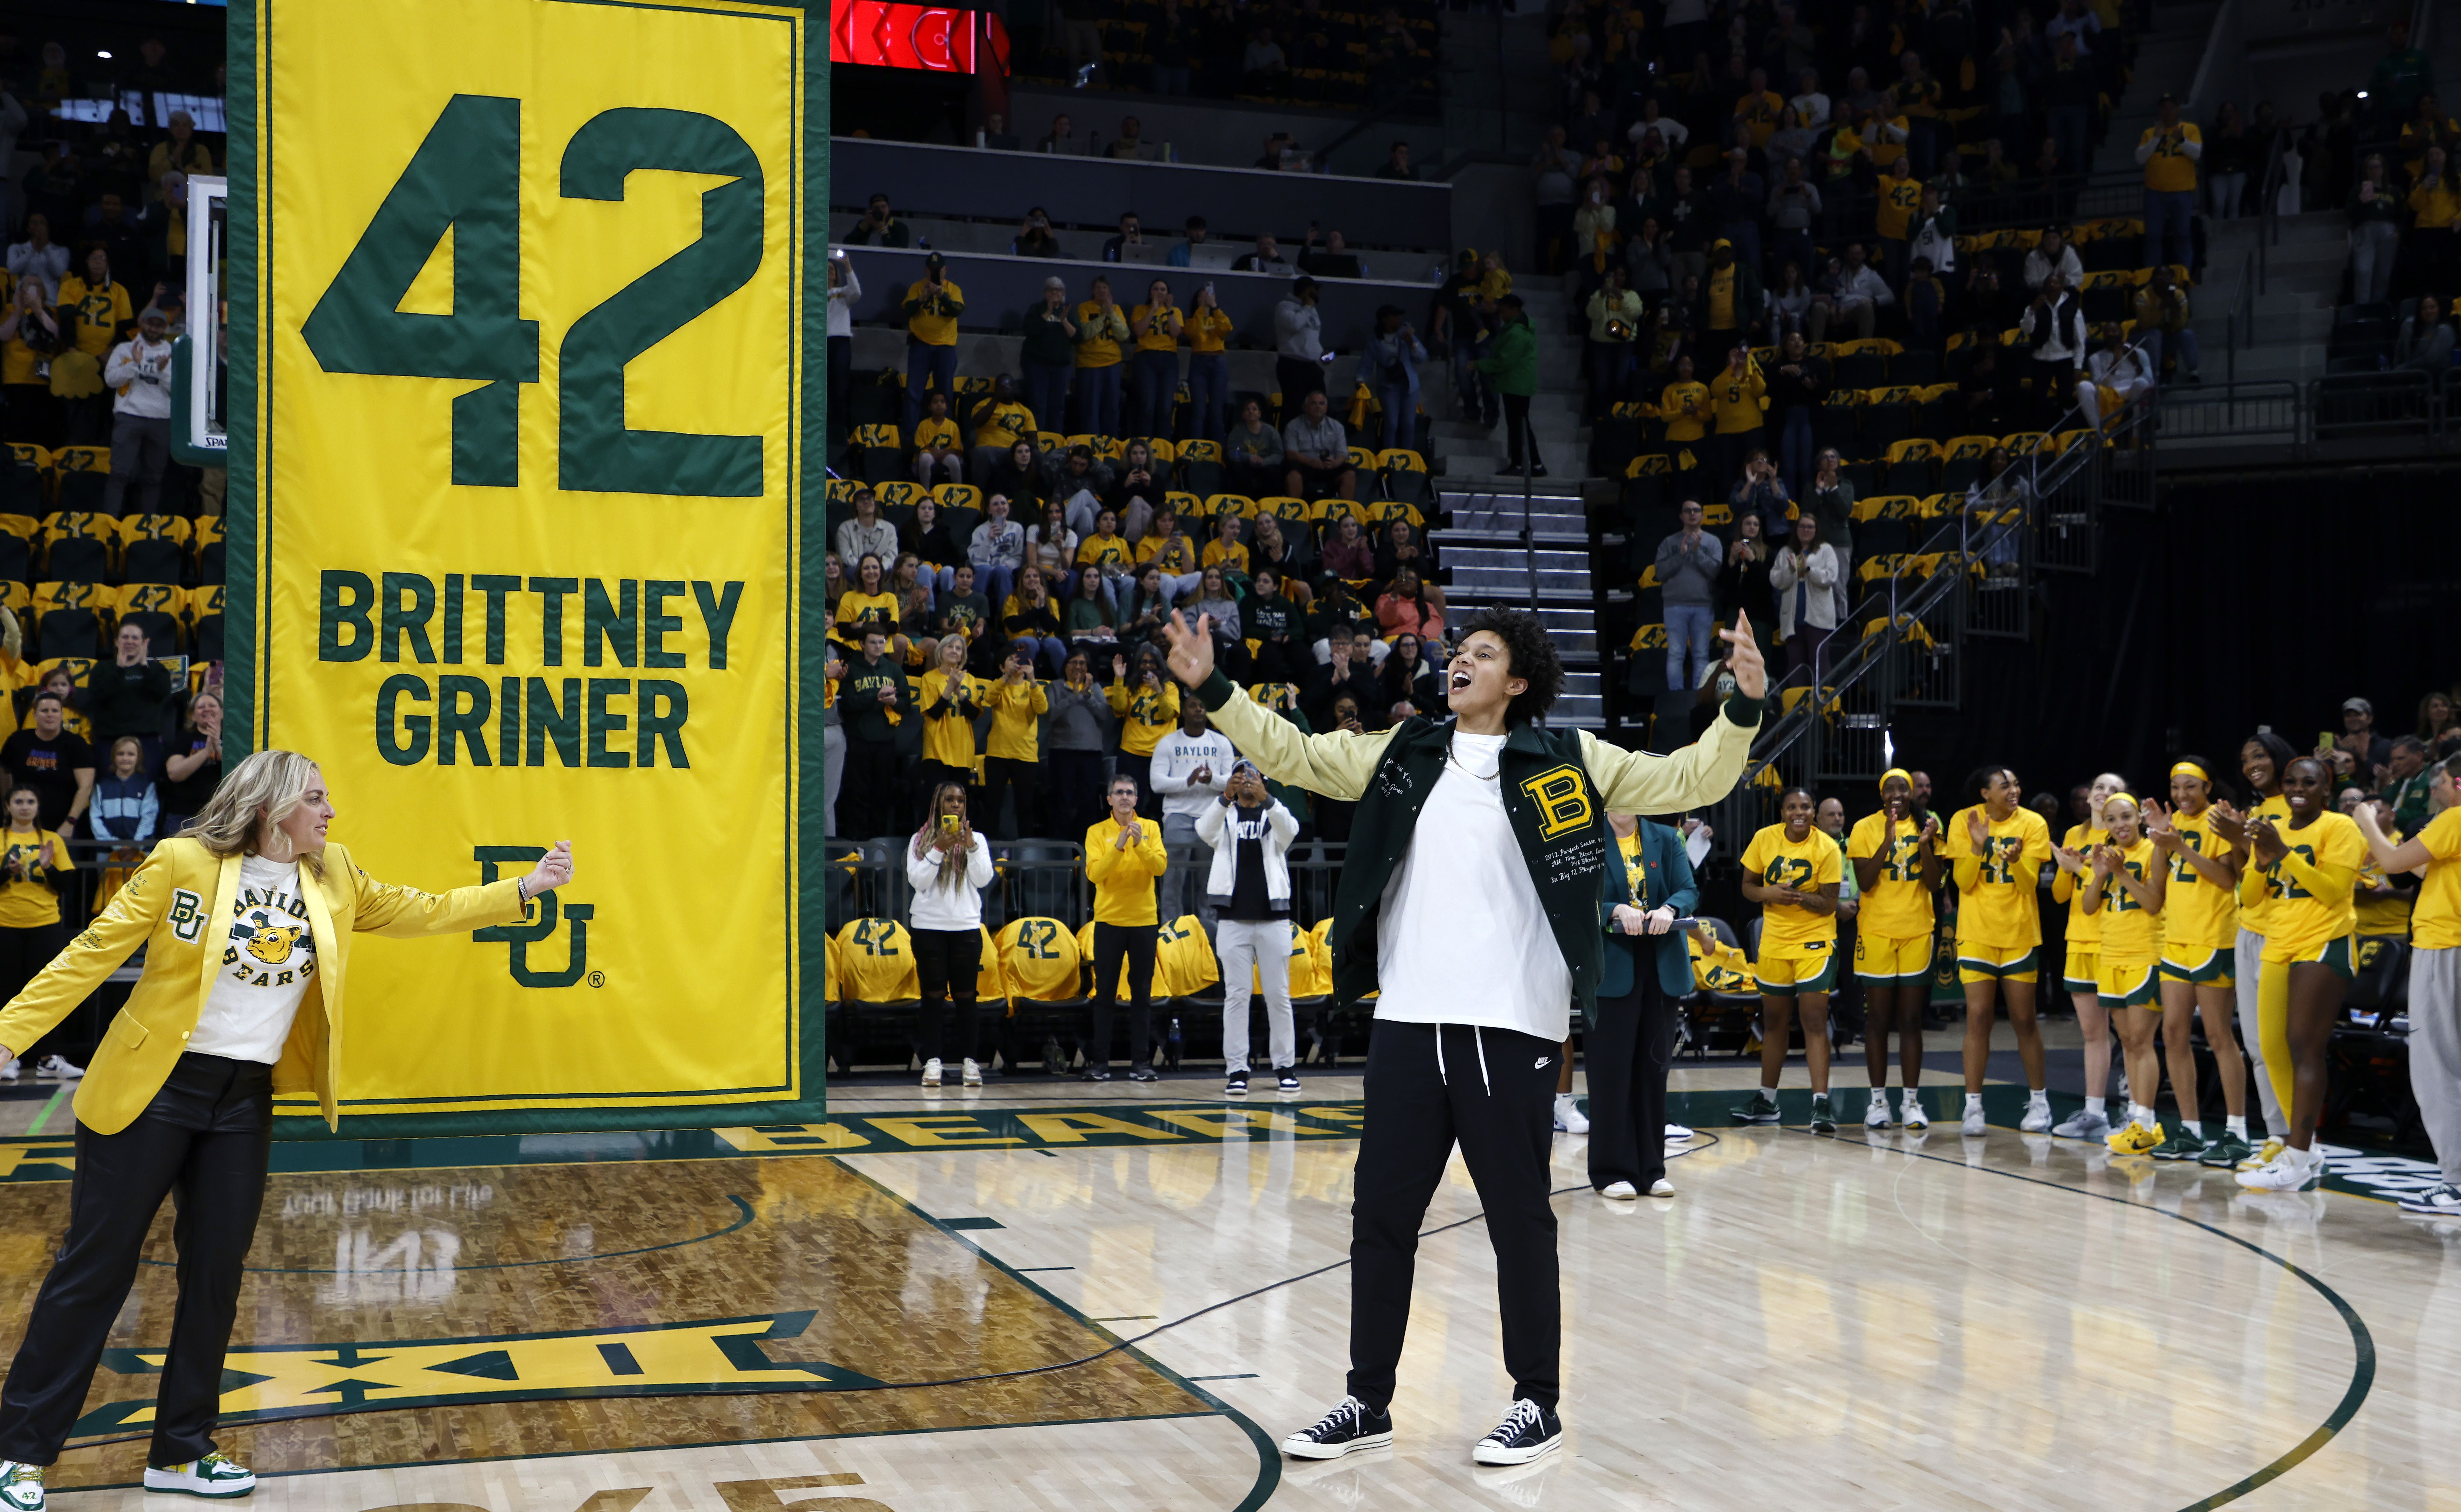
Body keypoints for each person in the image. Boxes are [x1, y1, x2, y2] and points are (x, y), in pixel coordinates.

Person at [1162, 601, 1765, 1467]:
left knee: (1518, 1218)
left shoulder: (1571, 757)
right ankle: (1367, 1399)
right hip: (1409, 1019)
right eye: (1458, 650)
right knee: (1381, 1218)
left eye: (1482, 654)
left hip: (1510, 1024)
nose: (1460, 661)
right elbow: (1295, 753)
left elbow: (1684, 780)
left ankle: (1537, 1402)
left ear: (1517, 681)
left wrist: (1740, 708)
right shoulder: (1404, 751)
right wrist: (1213, 687)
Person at [0, 753, 573, 1506]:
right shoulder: (182, 862)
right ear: (271, 809)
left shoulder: (333, 871)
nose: (331, 810)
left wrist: (523, 889)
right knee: (95, 1268)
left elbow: (419, 908)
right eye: (316, 798)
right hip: (151, 1089)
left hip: (242, 1099)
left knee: (216, 1276)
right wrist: (10, 1032)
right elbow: (94, 950)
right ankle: (20, 1453)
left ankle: (180, 1448)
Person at [2233, 757, 2363, 1192]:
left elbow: (2331, 892)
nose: (2297, 788)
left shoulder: (2340, 828)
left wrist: (2283, 852)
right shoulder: (2272, 830)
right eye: (2290, 781)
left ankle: (2298, 1154)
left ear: (2325, 790)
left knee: (2304, 1047)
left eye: (2309, 782)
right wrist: (2261, 857)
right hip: (2278, 943)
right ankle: (2305, 1152)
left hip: (2324, 942)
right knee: (2271, 1051)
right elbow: (2250, 899)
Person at [2354, 756, 2461, 1214]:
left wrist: (2365, 822)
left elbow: (2396, 859)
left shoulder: (2456, 817)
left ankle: (2455, 1182)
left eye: (2437, 783)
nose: (2433, 791)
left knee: (2438, 1066)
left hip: (2445, 946)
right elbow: (2422, 869)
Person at [2143, 759, 2253, 1164]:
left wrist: (2181, 847)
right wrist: (2160, 837)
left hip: (2214, 938)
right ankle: (2190, 1130)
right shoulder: (2174, 825)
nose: (2182, 795)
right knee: (2172, 1034)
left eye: (2190, 787)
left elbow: (2228, 880)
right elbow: (2157, 893)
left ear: (2208, 788)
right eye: (2175, 788)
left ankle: (2237, 1131)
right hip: (2176, 941)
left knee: (2218, 1035)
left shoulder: (2218, 821)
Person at [1588, 809, 1696, 1197]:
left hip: (1660, 964)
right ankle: (1609, 1171)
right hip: (1612, 966)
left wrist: (1669, 909)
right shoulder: (1587, 835)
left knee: (1654, 1072)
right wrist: (1613, 909)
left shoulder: (1666, 838)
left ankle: (1652, 1169)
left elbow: (1687, 889)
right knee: (1610, 1073)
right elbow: (1574, 895)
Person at [1945, 765, 2057, 1137]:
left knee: (2024, 1019)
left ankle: (2039, 1102)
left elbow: (2029, 886)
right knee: (1978, 1018)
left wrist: (2015, 863)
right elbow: (1962, 882)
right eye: (2004, 785)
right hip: (1976, 932)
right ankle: (1973, 1106)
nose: (2013, 790)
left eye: (2015, 783)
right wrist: (1977, 845)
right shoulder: (1964, 821)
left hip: (2020, 933)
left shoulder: (2033, 824)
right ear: (1984, 794)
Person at [1730, 786, 1842, 1132]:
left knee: (1813, 1021)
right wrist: (1769, 893)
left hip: (1814, 942)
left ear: (1813, 812)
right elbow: (1748, 886)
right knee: (1774, 1023)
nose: (1799, 812)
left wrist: (1796, 899)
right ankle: (1767, 1100)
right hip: (1774, 943)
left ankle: (1821, 1104)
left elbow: (1829, 904)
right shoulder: (1764, 839)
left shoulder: (1827, 848)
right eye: (1792, 807)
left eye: (1805, 807)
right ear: (1782, 812)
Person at [2213, 731, 2298, 1167]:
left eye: (2259, 755)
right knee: (2255, 1043)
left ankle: (2298, 1139)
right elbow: (2243, 872)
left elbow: (2281, 865)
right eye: (2245, 759)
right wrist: (2233, 836)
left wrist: (2241, 836)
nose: (2251, 765)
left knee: (2277, 1041)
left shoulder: (2297, 808)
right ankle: (2277, 1135)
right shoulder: (2257, 811)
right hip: (2248, 927)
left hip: (2282, 933)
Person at [2072, 794, 2169, 1154]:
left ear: (2139, 819)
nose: (2120, 825)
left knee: (2142, 1041)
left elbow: (2153, 903)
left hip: (2145, 954)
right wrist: (2098, 876)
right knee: (2127, 1041)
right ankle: (2134, 1116)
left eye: (2126, 817)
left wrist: (2121, 874)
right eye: (2112, 820)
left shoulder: (2151, 850)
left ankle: (2145, 1120)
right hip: (2110, 955)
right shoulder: (2106, 856)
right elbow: (2087, 906)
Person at [1200, 761, 1301, 1095]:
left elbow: (1292, 829)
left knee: (1278, 996)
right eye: (1241, 775)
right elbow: (1203, 830)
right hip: (1232, 919)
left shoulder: (1273, 813)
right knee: (1237, 996)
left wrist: (1269, 799)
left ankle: (1285, 1066)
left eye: (1253, 775)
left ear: (1263, 781)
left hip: (1274, 918)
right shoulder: (1225, 814)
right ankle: (1237, 1070)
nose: (1247, 780)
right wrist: (1223, 797)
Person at [2046, 773, 2125, 1139]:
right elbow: (2062, 896)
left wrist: (2077, 868)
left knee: (2128, 1035)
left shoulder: (2123, 836)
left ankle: (2139, 1113)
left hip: (2114, 941)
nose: (2104, 794)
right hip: (2078, 941)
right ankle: (2094, 1114)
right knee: (2092, 1033)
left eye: (2113, 791)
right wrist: (2065, 869)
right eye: (2099, 788)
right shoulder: (2074, 835)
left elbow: (2105, 892)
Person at [907, 780, 993, 1089]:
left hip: (966, 927)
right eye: (949, 800)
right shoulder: (920, 840)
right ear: (938, 805)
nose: (956, 805)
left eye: (961, 800)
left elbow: (983, 880)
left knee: (967, 996)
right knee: (932, 997)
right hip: (928, 927)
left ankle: (970, 1061)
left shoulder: (978, 840)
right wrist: (939, 848)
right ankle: (933, 1061)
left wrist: (969, 847)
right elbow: (918, 881)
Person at [1083, 774, 1169, 1082]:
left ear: (1136, 799)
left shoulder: (1151, 828)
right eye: (1118, 792)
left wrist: (1140, 845)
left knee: (1142, 995)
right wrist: (1118, 847)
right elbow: (1095, 874)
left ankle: (1141, 1063)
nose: (1124, 797)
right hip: (1109, 922)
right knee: (1104, 994)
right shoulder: (1097, 832)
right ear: (1109, 799)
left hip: (1144, 922)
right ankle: (1100, 1063)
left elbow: (1160, 867)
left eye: (1129, 793)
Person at [1151, 700, 1236, 929]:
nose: (1199, 709)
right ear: (1183, 712)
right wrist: (1188, 782)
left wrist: (1213, 780)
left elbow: (1232, 782)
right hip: (1178, 815)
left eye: (1203, 706)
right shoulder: (1168, 742)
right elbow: (1156, 783)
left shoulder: (1221, 742)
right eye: (1193, 706)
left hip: (1213, 816)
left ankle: (1208, 931)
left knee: (1210, 878)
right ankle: (1171, 929)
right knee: (1173, 879)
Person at [100, 306, 173, 516]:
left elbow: (181, 391)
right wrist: (135, 363)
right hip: (129, 417)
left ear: (165, 328)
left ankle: (147, 526)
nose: (153, 328)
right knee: (119, 473)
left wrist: (162, 372)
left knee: (154, 477)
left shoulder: (173, 353)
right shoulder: (125, 349)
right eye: (150, 323)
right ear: (143, 324)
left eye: (159, 325)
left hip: (161, 419)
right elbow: (110, 380)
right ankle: (111, 522)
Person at [836, 629, 908, 839]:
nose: (879, 646)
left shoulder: (894, 670)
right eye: (873, 642)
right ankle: (858, 845)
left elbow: (907, 706)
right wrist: (875, 698)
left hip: (886, 742)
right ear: (862, 644)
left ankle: (879, 845)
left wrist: (895, 702)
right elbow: (847, 704)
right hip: (858, 740)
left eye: (882, 642)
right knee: (858, 795)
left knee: (882, 796)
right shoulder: (851, 670)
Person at [1652, 500, 1723, 694]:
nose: (1692, 514)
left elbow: (1716, 572)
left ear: (1702, 515)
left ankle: (1698, 696)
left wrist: (1697, 552)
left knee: (1701, 655)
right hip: (1675, 606)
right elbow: (1660, 573)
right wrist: (1682, 555)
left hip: (1703, 605)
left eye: (1696, 510)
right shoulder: (1669, 542)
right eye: (1688, 511)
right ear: (1682, 516)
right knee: (1676, 654)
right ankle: (1676, 696)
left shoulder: (1713, 542)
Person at [0, 696, 94, 843]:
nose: (50, 715)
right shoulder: (17, 740)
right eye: (44, 710)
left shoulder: (76, 744)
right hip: (21, 824)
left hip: (63, 824)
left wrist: (70, 822)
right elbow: (4, 773)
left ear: (62, 715)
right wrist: (7, 807)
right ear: (35, 715)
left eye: (55, 711)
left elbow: (86, 787)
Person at [1767, 513, 1837, 687]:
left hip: (1818, 618)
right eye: (1802, 526)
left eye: (1810, 527)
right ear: (1796, 529)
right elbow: (1776, 580)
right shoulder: (1786, 552)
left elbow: (1831, 578)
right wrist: (1790, 571)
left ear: (1816, 530)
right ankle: (1797, 706)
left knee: (1819, 661)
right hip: (1793, 618)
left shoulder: (1825, 550)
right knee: (1795, 663)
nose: (1806, 530)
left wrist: (1809, 569)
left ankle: (1823, 705)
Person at [1480, 294, 1544, 479]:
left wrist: (1479, 365)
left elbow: (1504, 361)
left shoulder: (1517, 332)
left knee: (1518, 426)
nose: (1501, 314)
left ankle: (1521, 464)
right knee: (1520, 425)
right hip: (1516, 383)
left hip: (1516, 384)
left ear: (1514, 310)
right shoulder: (1519, 329)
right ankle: (1535, 464)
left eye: (1504, 310)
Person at [2136, 94, 2202, 273]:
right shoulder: (2150, 133)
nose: (2167, 112)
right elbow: (2140, 158)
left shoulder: (2190, 129)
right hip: (2155, 193)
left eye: (2171, 107)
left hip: (2181, 192)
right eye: (2164, 108)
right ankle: (2152, 275)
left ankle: (2184, 274)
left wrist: (2181, 140)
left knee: (2182, 235)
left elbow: (2197, 155)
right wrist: (2156, 139)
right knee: (2153, 237)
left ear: (2178, 109)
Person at [900, 254, 965, 433]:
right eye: (931, 269)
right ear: (926, 270)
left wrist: (941, 295)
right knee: (913, 393)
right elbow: (907, 310)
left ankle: (947, 434)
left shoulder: (953, 289)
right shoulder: (918, 287)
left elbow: (957, 310)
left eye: (939, 269)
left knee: (945, 393)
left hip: (945, 347)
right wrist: (923, 297)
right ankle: (911, 436)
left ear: (945, 270)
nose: (935, 272)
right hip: (920, 345)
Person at [1107, 651, 1179, 808]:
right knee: (1131, 803)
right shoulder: (1131, 688)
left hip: (1161, 754)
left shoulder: (1170, 688)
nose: (1148, 666)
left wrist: (1159, 690)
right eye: (1144, 662)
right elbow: (1119, 709)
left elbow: (1168, 716)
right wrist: (1119, 679)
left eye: (1152, 662)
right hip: (1132, 752)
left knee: (1160, 804)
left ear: (1159, 665)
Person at [1072, 277, 1130, 439]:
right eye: (1098, 288)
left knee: (1112, 406)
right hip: (1090, 364)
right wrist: (1103, 316)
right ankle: (1091, 443)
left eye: (1105, 288)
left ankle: (1111, 442)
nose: (1102, 291)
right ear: (1093, 291)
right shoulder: (1084, 308)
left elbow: (1124, 335)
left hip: (1112, 363)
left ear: (1109, 291)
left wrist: (1111, 313)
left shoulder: (1116, 309)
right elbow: (1085, 334)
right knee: (1091, 407)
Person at [1020, 278, 1077, 441]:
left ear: (1063, 293)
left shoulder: (1069, 311)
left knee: (1058, 407)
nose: (1055, 293)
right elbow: (1030, 330)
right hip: (1037, 365)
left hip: (1061, 367)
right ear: (1045, 293)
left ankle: (1055, 441)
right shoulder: (1036, 309)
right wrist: (1048, 312)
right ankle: (1037, 442)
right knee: (1038, 406)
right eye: (1051, 290)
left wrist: (1064, 320)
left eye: (1058, 290)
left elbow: (1077, 337)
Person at [1128, 279, 1184, 439]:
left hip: (1168, 360)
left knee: (1166, 407)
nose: (1159, 292)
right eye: (1156, 289)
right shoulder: (1140, 309)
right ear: (1150, 292)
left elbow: (1175, 333)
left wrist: (1169, 309)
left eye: (1163, 290)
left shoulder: (1176, 311)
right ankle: (1144, 447)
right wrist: (1153, 309)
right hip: (1146, 358)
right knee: (1147, 405)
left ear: (1168, 294)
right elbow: (1139, 332)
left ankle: (1163, 447)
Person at [1369, 307, 1428, 454]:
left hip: (1409, 385)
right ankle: (1389, 457)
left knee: (1409, 423)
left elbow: (1422, 357)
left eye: (1400, 317)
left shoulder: (1406, 335)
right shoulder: (1375, 341)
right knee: (1392, 423)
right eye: (1394, 317)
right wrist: (1360, 379)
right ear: (1385, 319)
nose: (1399, 320)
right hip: (1388, 386)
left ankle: (1406, 458)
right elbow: (1366, 362)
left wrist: (1411, 344)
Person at [1281, 389, 1355, 501]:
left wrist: (1335, 463)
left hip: (1329, 467)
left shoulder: (1337, 427)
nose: (1318, 406)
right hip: (1304, 465)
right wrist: (1310, 462)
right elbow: (1291, 454)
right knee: (1292, 471)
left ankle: (1346, 512)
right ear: (1305, 407)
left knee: (1350, 473)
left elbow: (1342, 454)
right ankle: (1294, 508)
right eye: (1313, 403)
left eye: (1322, 403)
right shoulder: (1293, 426)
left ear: (1327, 407)